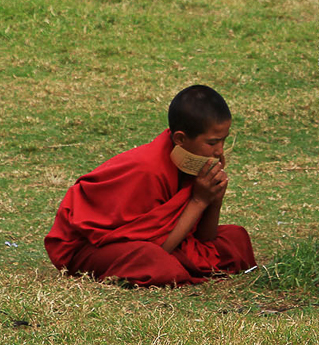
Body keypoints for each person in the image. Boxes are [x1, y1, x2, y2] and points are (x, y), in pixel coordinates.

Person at [44, 85, 256, 286]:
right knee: (155, 262)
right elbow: (162, 247)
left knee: (236, 238)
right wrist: (199, 201)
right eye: (212, 143)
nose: (220, 151)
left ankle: (182, 266)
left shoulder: (191, 163)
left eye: (223, 140)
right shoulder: (149, 169)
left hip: (154, 243)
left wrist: (214, 200)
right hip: (90, 248)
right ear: (180, 139)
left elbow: (204, 238)